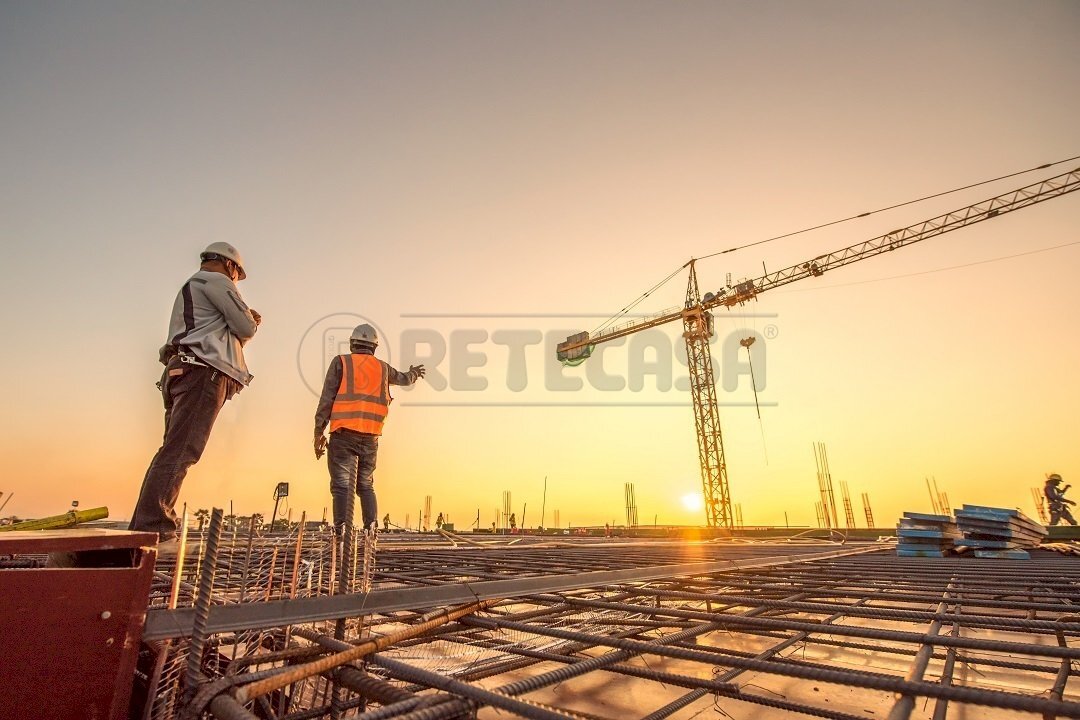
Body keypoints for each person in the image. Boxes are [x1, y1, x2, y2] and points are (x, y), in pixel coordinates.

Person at [129, 243, 260, 542]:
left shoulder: (192, 288)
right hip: (202, 373)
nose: (237, 281)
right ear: (231, 266)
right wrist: (251, 320)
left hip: (182, 370)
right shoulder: (217, 282)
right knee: (181, 451)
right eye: (238, 274)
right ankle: (155, 529)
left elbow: (224, 334)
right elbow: (245, 327)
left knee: (172, 450)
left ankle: (144, 527)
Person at [314, 323, 425, 534]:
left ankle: (342, 532)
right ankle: (370, 530)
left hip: (343, 433)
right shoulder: (383, 368)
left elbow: (327, 398)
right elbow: (403, 378)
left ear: (352, 344)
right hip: (371, 437)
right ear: (374, 347)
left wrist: (318, 431)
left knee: (341, 485)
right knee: (365, 485)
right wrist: (414, 373)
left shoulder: (341, 362)